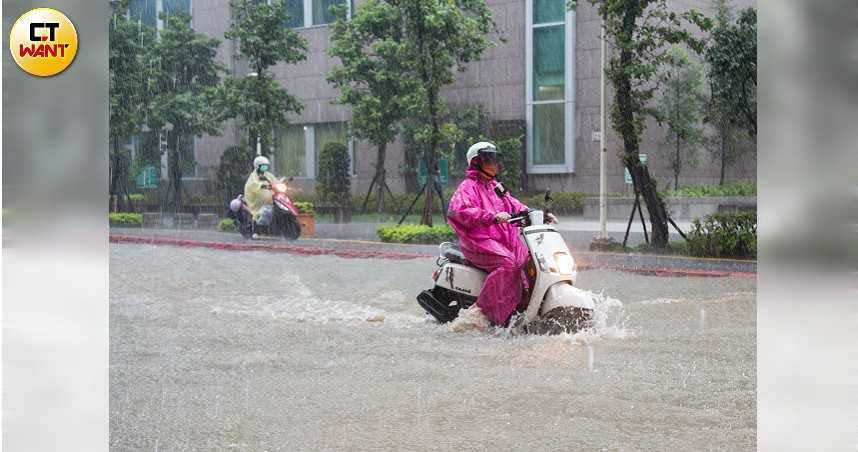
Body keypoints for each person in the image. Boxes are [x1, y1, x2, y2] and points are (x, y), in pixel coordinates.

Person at [446, 142, 556, 330]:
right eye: (488, 160)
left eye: (495, 159)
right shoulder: (468, 187)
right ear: (476, 162)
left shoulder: (496, 187)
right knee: (509, 264)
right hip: (479, 240)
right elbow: (459, 210)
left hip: (505, 239)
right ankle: (480, 314)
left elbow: (515, 205)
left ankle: (523, 311)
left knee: (530, 261)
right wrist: (491, 217)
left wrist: (538, 214)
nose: (494, 164)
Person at [243, 155, 277, 225]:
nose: (265, 167)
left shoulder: (268, 175)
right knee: (266, 210)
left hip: (266, 200)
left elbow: (275, 181)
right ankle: (259, 226)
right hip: (256, 202)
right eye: (263, 166)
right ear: (257, 166)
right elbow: (253, 185)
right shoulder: (253, 176)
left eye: (266, 166)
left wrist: (281, 183)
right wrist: (262, 185)